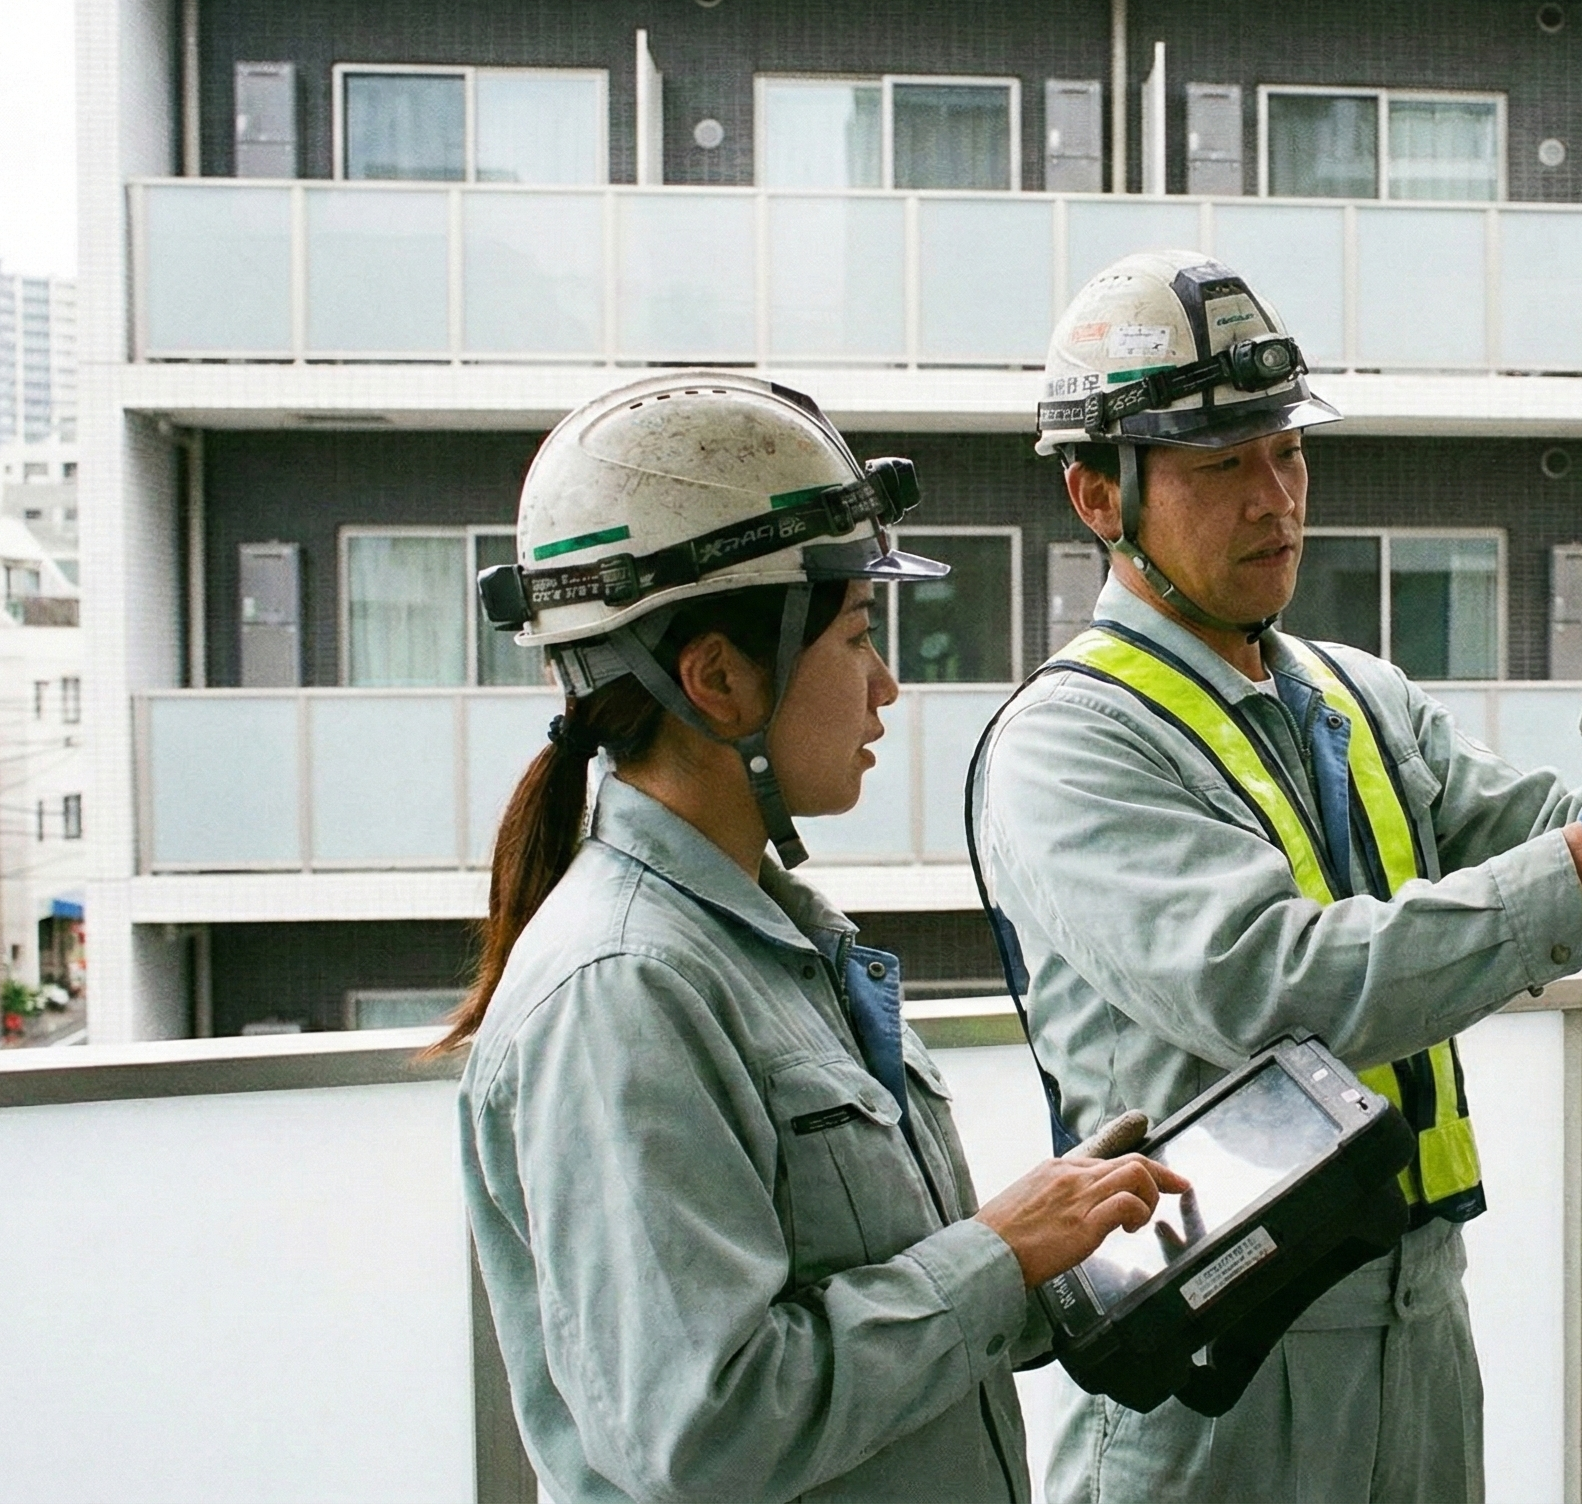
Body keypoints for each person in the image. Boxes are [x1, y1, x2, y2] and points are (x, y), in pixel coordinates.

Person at [970, 253, 1582, 1502]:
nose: (1273, 498)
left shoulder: (1351, 693)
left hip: (1412, 1317)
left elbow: (1542, 830)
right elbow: (1278, 990)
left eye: (1284, 453)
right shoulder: (1071, 740)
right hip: (1214, 1357)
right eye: (1219, 465)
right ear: (1095, 495)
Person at [436, 372, 1185, 1504]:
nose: (886, 685)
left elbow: (878, 1317)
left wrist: (1057, 1239)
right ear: (720, 678)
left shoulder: (768, 944)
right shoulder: (622, 990)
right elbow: (707, 1428)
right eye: (854, 635)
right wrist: (996, 1255)